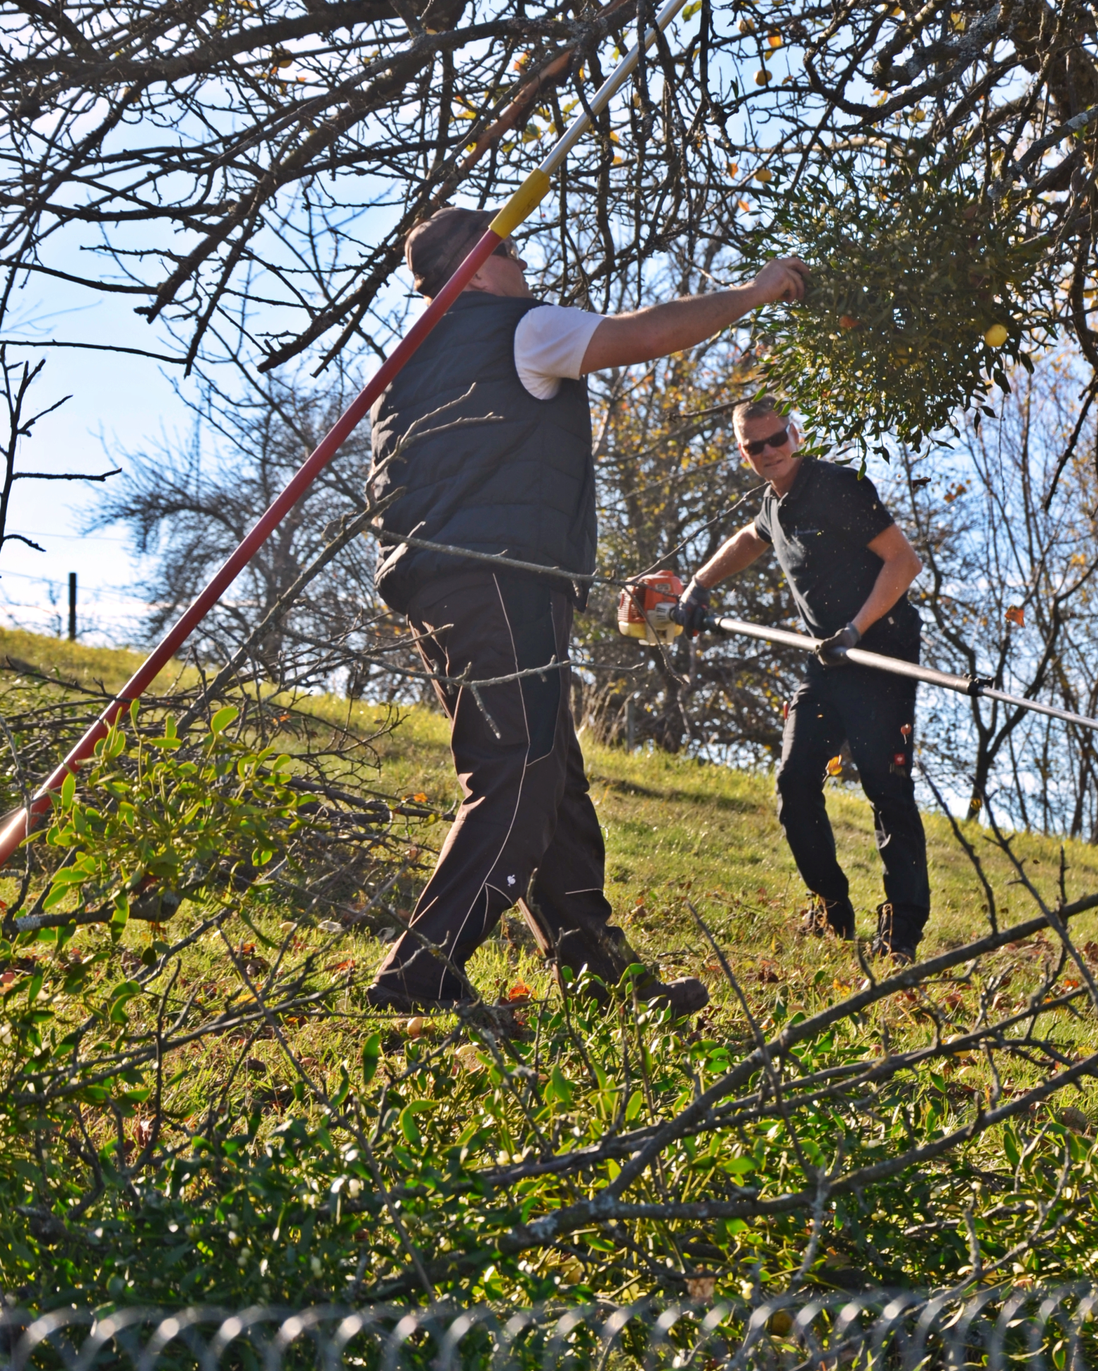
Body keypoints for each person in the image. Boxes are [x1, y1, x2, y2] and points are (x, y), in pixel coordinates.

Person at [364, 206, 808, 1016]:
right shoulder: (515, 329)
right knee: (521, 771)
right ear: (482, 260)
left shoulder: (410, 370)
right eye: (510, 249)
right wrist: (754, 291)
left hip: (442, 581)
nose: (525, 263)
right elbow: (644, 333)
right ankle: (421, 970)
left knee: (551, 779)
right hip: (501, 577)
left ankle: (603, 976)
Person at [678, 400, 929, 962]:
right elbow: (751, 537)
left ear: (794, 434)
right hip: (826, 660)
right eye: (755, 446)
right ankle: (832, 905)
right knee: (794, 782)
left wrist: (856, 630)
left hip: (880, 653)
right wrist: (699, 583)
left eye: (776, 439)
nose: (769, 452)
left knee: (886, 791)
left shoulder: (839, 486)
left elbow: (903, 562)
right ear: (743, 451)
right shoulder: (774, 504)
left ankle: (902, 930)